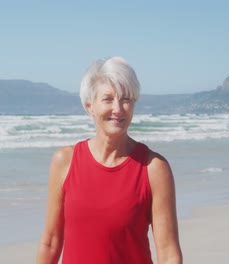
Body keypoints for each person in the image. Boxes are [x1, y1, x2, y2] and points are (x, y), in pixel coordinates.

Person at [36, 56, 182, 264]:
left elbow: (168, 253)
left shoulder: (153, 168)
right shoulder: (65, 161)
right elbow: (50, 242)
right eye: (108, 99)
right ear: (90, 106)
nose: (118, 109)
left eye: (126, 99)